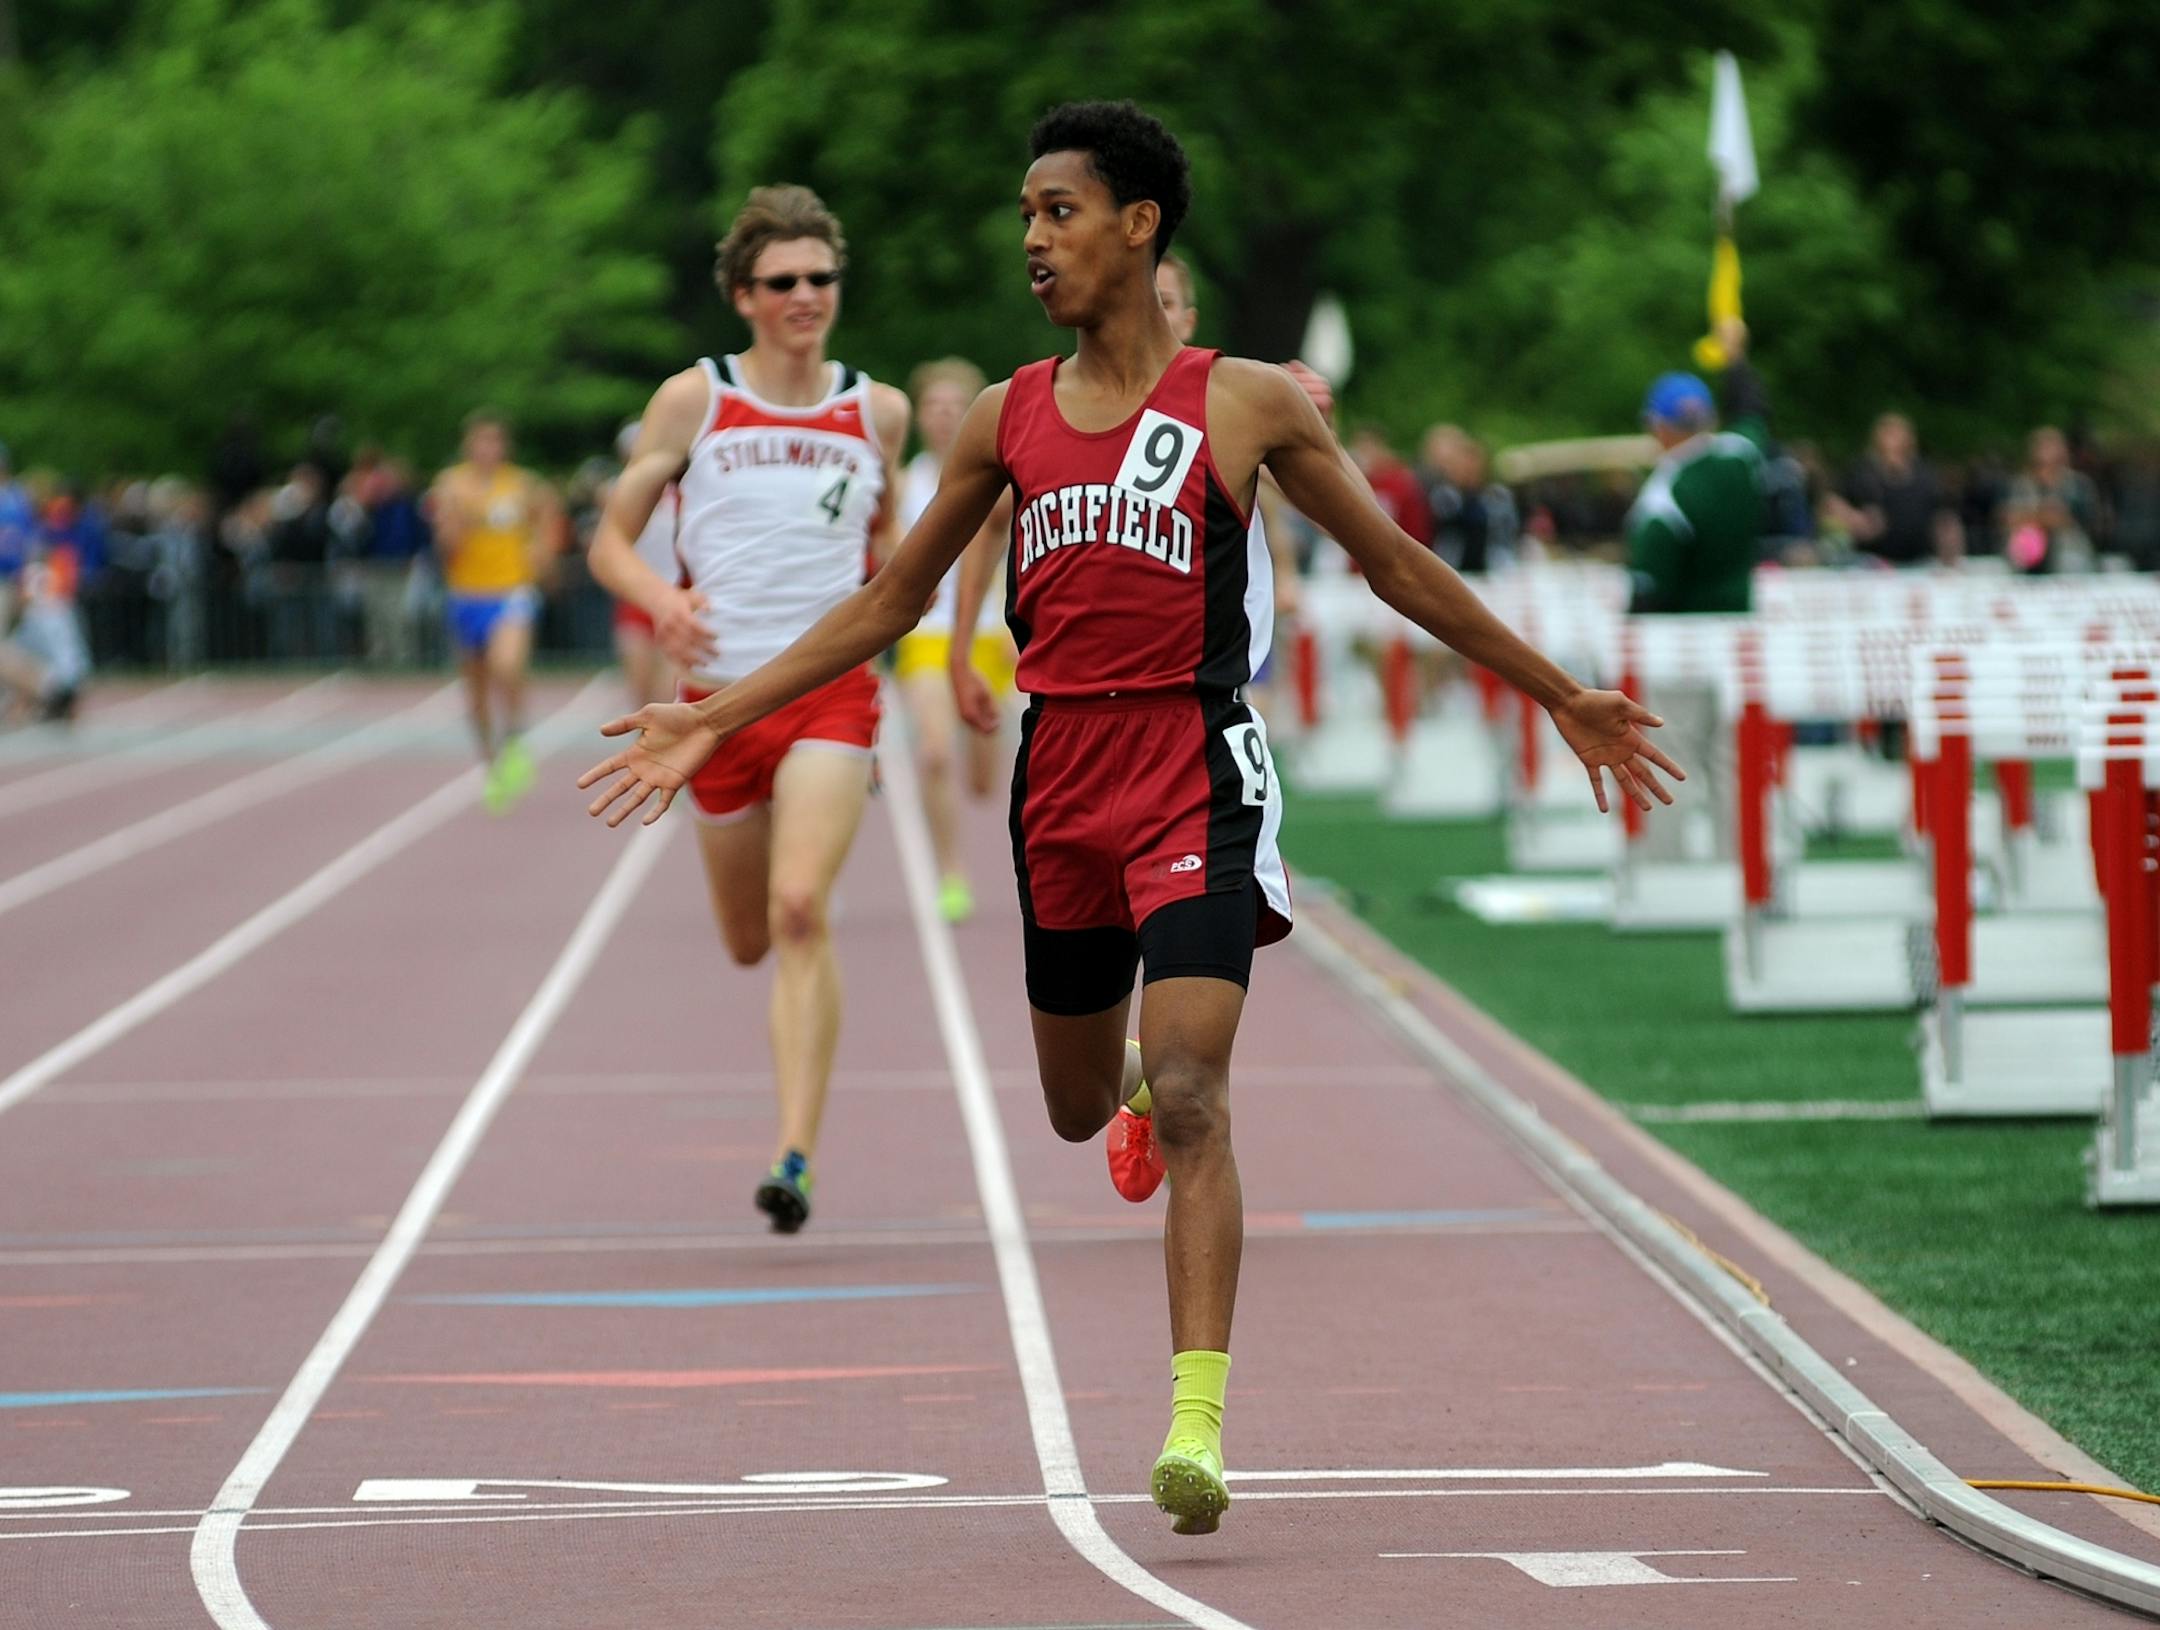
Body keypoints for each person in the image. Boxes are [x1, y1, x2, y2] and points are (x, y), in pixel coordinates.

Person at [579, 101, 1677, 1535]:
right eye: (1026, 214)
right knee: (1079, 1102)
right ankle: (1140, 1094)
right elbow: (886, 601)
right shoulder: (1003, 417)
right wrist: (713, 713)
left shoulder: (1247, 400)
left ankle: (1198, 1427)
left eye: (1059, 210)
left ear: (1139, 223)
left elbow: (1398, 565)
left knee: (1203, 1085)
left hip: (1196, 761)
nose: (1033, 239)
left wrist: (1559, 694)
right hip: (1063, 785)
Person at [585, 184, 909, 1234]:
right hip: (712, 708)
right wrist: (661, 598)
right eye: (784, 282)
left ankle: (794, 1154)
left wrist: (905, 671)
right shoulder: (697, 399)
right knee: (744, 937)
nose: (806, 295)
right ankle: (786, 1022)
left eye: (821, 278)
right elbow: (609, 543)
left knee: (799, 908)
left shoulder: (878, 408)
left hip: (828, 692)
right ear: (743, 296)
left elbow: (890, 559)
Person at [889, 358, 1015, 922]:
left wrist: (1016, 625)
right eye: (932, 408)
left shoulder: (997, 478)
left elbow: (1018, 554)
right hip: (927, 640)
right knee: (935, 753)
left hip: (990, 636)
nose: (942, 418)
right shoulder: (902, 483)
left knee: (987, 781)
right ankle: (949, 871)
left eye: (952, 407)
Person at [430, 412, 560, 812]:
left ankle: (517, 737)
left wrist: (542, 552)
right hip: (467, 595)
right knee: (476, 693)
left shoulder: (523, 485)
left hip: (511, 592)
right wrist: (459, 518)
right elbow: (445, 549)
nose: (488, 450)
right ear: (468, 446)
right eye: (481, 442)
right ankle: (492, 766)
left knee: (508, 665)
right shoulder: (451, 486)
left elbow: (549, 519)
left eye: (495, 442)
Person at [605, 419, 684, 708]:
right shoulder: (617, 491)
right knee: (640, 694)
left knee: (667, 695)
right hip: (637, 598)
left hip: (676, 595)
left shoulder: (684, 490)